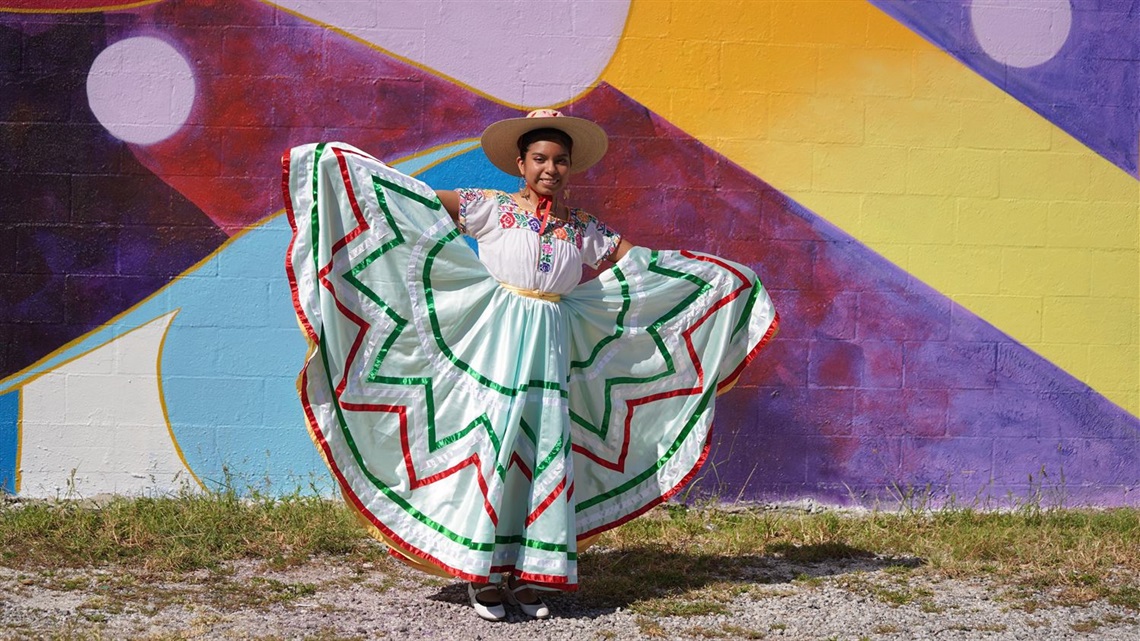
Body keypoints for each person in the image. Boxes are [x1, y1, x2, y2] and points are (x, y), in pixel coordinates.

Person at [282, 109, 778, 621]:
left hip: (553, 348)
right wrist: (343, 169)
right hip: (495, 346)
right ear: (520, 162)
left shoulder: (582, 227)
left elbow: (643, 266)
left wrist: (717, 281)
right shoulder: (490, 207)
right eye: (540, 158)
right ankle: (484, 575)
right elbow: (415, 204)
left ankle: (528, 573)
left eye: (561, 160)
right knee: (493, 446)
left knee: (542, 450)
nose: (551, 168)